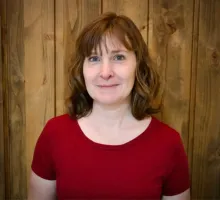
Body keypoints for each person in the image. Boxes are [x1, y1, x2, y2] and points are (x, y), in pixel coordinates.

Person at [28, 12, 190, 200]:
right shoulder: (54, 134)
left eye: (118, 57)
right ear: (83, 70)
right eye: (94, 58)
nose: (105, 73)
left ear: (138, 65)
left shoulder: (168, 143)